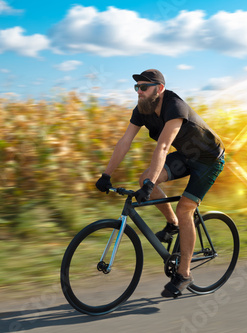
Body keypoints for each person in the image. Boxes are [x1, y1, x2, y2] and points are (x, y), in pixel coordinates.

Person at [95, 69, 225, 298]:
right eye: (137, 88)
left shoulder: (174, 106)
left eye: (144, 87)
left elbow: (163, 147)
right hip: (186, 155)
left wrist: (150, 184)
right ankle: (172, 224)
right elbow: (125, 141)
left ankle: (184, 274)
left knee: (185, 208)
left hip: (208, 160)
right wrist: (106, 175)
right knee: (145, 179)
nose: (139, 92)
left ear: (160, 89)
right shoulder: (142, 110)